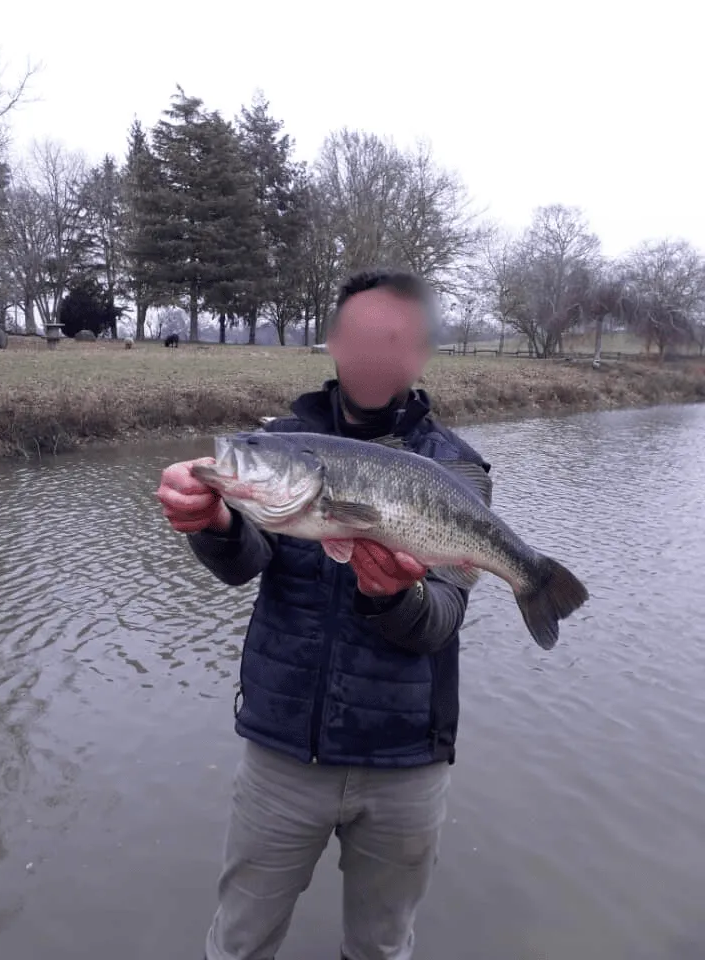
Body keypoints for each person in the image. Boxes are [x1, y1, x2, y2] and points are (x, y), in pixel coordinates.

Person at [156, 268, 492, 960]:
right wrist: (214, 522)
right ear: (333, 344)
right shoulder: (277, 443)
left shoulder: (457, 469)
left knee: (380, 948)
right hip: (283, 752)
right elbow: (244, 560)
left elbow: (442, 619)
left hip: (407, 759)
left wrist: (395, 596)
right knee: (239, 944)